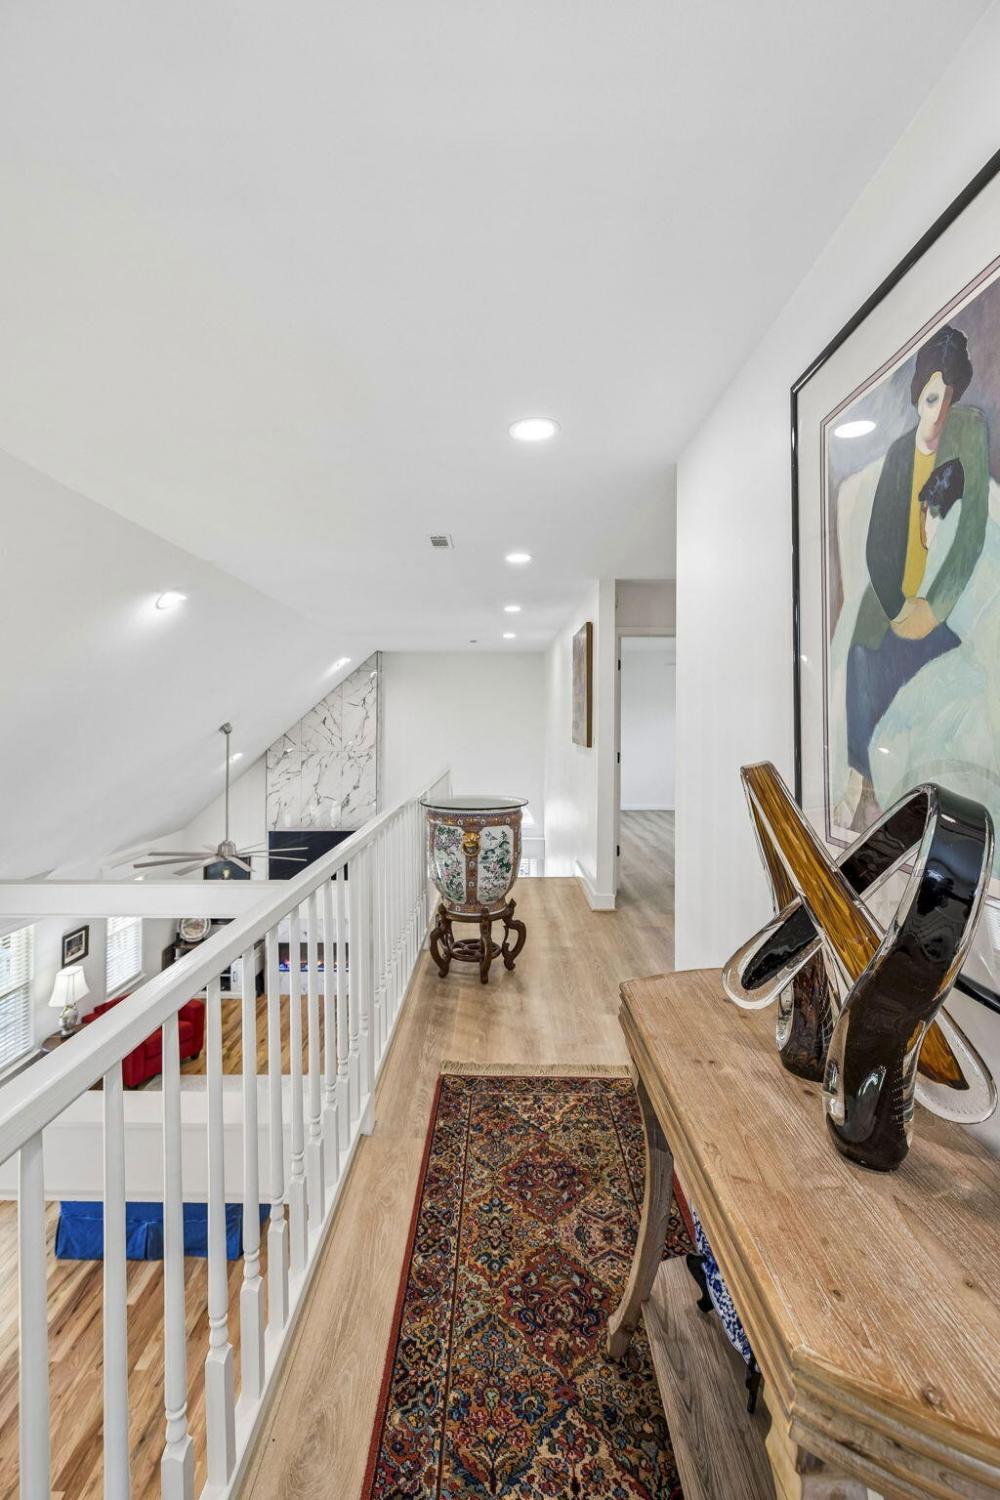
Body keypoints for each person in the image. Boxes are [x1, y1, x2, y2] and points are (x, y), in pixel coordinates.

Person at [837, 325, 988, 825]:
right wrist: (901, 609)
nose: (938, 414)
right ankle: (866, 781)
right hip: (893, 602)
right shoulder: (900, 454)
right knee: (863, 657)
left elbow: (969, 533)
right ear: (917, 396)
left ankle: (927, 798)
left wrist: (934, 608)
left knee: (951, 675)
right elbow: (878, 545)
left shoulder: (969, 432)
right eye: (930, 399)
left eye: (948, 398)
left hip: (945, 603)